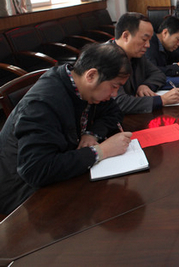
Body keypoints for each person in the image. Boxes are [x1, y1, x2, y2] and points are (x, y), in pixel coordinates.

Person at [0, 43, 134, 215]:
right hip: (23, 195)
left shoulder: (81, 86)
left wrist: (91, 134)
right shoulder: (42, 104)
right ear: (91, 75)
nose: (114, 94)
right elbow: (36, 170)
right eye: (114, 86)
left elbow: (113, 112)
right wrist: (101, 151)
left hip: (61, 169)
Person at [113, 12, 179, 114]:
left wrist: (146, 85)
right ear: (126, 36)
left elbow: (158, 74)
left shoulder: (136, 55)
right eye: (144, 39)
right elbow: (120, 102)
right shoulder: (107, 59)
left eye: (149, 40)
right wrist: (161, 100)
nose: (148, 45)